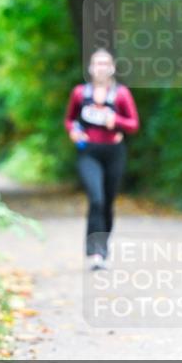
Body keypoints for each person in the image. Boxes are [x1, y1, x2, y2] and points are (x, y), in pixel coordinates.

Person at [64, 48, 140, 270]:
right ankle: (96, 252)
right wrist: (73, 131)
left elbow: (133, 124)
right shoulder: (80, 93)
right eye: (97, 63)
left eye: (105, 63)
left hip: (114, 153)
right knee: (96, 199)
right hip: (88, 152)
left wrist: (115, 120)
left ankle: (103, 247)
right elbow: (70, 120)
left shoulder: (121, 94)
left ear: (112, 68)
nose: (101, 67)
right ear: (90, 68)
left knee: (106, 203)